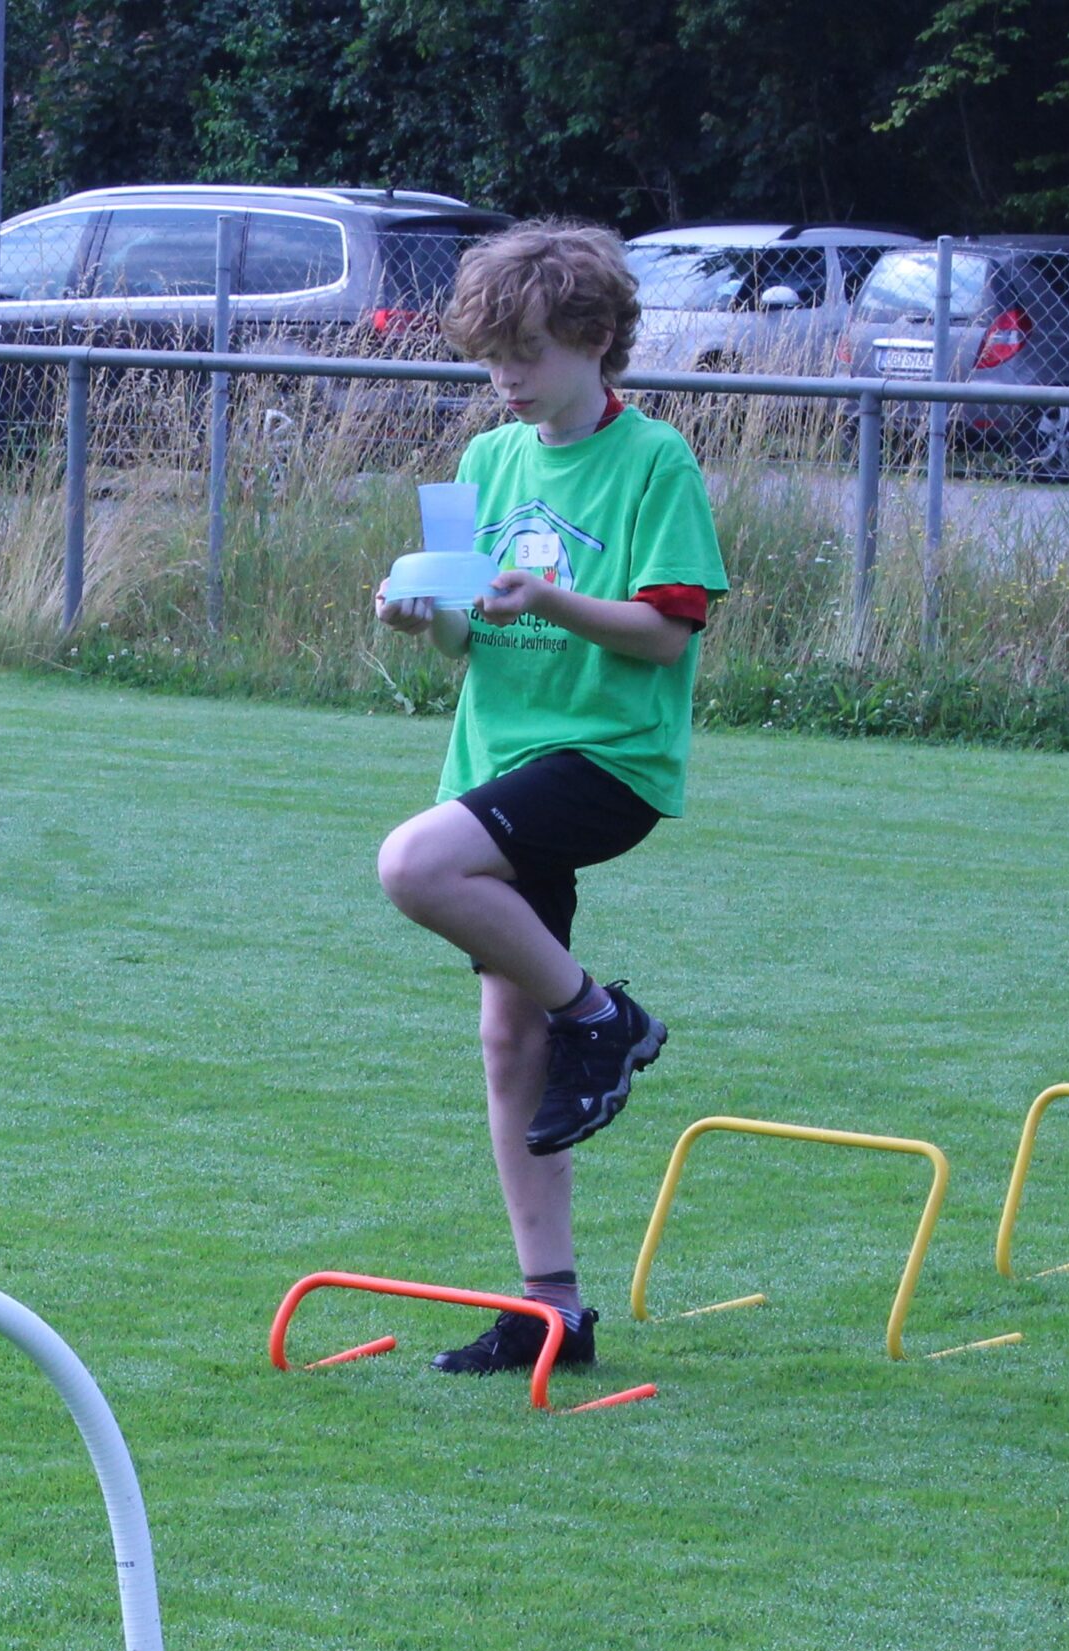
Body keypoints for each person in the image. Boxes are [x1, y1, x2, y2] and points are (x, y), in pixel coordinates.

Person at [373, 219, 729, 1377]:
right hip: (499, 758)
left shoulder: (655, 461)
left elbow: (667, 636)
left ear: (593, 338)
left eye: (525, 352)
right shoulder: (484, 464)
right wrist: (429, 617)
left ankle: (604, 1019)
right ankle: (553, 1313)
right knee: (501, 1035)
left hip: (606, 758)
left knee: (414, 866)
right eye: (491, 357)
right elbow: (470, 641)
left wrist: (553, 600)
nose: (507, 379)